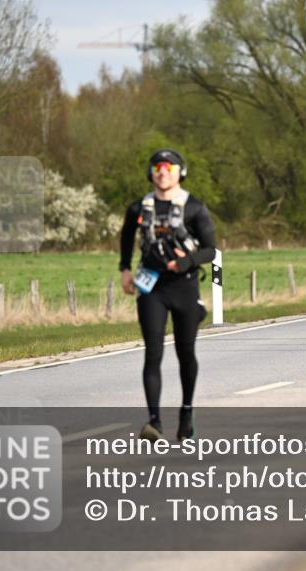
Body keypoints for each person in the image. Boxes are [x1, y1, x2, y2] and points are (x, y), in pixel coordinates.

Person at [120, 148, 216, 442]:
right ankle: (154, 422)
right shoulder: (139, 208)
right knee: (153, 353)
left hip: (184, 286)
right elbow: (125, 238)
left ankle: (186, 413)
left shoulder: (194, 207)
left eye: (169, 168)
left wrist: (184, 262)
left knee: (185, 352)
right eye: (158, 167)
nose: (163, 172)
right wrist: (125, 269)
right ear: (151, 173)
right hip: (152, 288)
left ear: (179, 173)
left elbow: (211, 250)